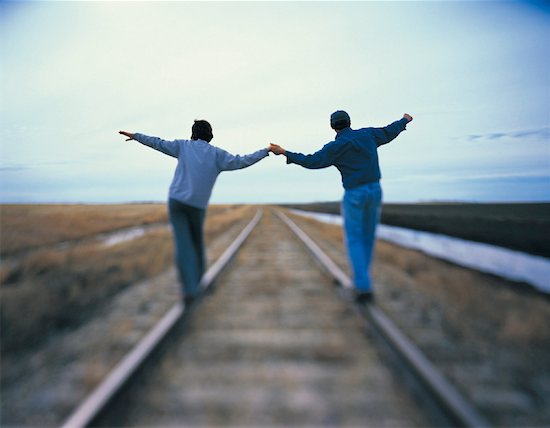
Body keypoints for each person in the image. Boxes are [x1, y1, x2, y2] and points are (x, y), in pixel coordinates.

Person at [119, 120, 271, 304]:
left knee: (183, 245)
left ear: (193, 133)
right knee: (197, 244)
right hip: (197, 206)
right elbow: (242, 161)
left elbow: (157, 142)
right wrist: (265, 151)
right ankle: (198, 284)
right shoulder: (217, 154)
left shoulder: (183, 146)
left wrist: (136, 136)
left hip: (177, 202)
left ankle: (190, 289)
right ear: (210, 135)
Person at [269, 110, 413, 303]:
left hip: (355, 193)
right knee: (368, 237)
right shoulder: (367, 135)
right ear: (349, 122)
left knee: (354, 239)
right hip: (375, 190)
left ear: (332, 126)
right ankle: (363, 280)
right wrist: (404, 120)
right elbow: (389, 131)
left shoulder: (336, 147)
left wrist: (285, 152)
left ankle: (362, 286)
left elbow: (311, 161)